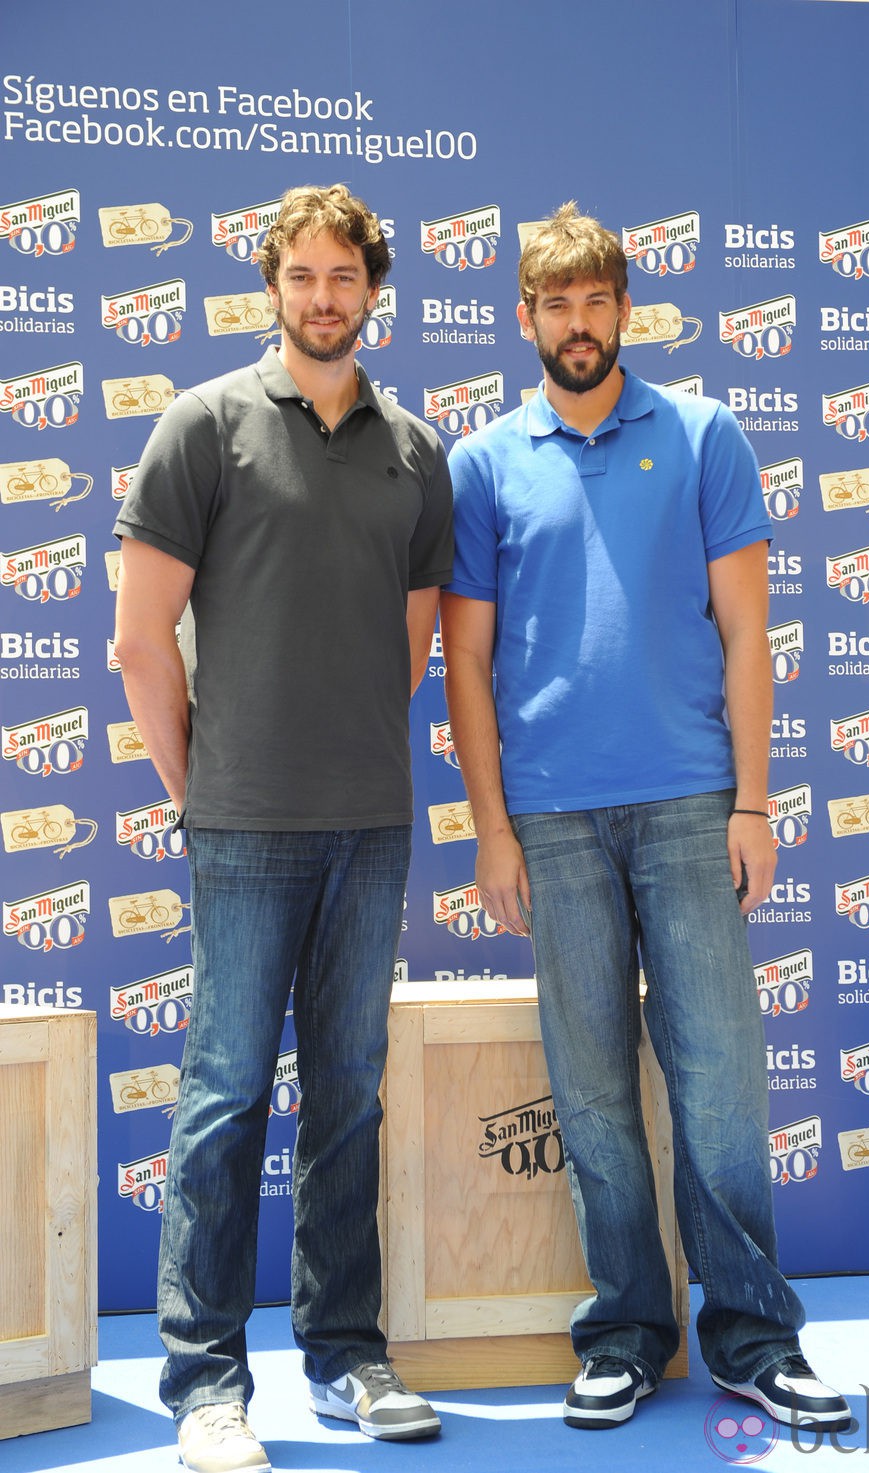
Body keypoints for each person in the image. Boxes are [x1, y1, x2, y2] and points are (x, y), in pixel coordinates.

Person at [440, 203, 850, 1434]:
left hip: (688, 807)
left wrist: (757, 799)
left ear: (624, 310)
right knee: (591, 1093)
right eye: (554, 305)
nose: (577, 323)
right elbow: (462, 665)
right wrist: (490, 827)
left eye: (595, 301)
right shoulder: (481, 463)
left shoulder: (703, 434)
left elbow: (745, 633)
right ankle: (623, 1328)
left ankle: (751, 1336)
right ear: (524, 320)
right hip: (552, 821)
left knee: (718, 1081)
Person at [114, 184, 453, 1473]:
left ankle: (349, 1351)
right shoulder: (201, 427)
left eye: (344, 277)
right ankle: (205, 1381)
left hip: (371, 824)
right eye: (302, 276)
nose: (324, 297)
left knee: (351, 1098)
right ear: (273, 285)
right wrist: (200, 794)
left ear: (373, 290)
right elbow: (142, 645)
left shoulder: (414, 451)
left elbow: (409, 647)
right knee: (222, 1099)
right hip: (242, 830)